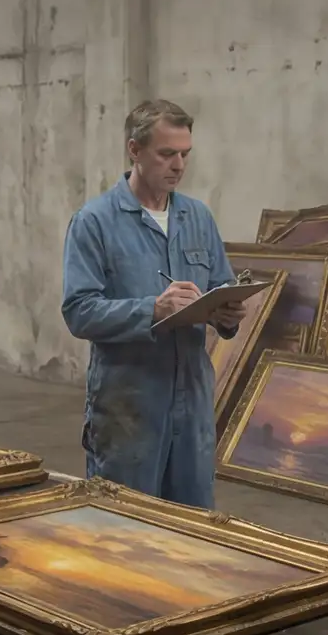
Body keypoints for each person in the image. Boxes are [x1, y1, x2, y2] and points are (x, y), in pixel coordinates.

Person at [60, 100, 249, 508]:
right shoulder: (94, 222)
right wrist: (153, 310)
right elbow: (79, 310)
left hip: (192, 400)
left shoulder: (197, 218)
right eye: (167, 154)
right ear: (135, 150)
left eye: (185, 154)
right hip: (129, 404)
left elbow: (220, 285)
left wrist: (227, 312)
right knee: (124, 526)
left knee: (191, 526)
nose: (179, 165)